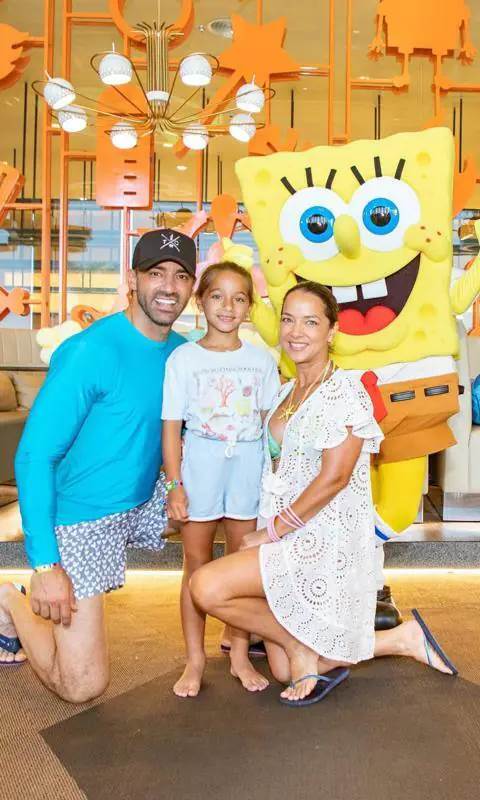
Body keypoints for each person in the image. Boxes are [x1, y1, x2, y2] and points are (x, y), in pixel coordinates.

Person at [190, 282, 457, 706]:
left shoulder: (346, 393)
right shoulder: (286, 391)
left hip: (317, 542)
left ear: (332, 331)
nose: (296, 332)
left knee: (205, 586)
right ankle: (399, 640)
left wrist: (271, 532)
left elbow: (334, 479)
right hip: (283, 533)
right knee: (282, 670)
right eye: (288, 320)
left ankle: (299, 643)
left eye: (310, 322)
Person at [0, 229, 196, 702]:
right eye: (156, 273)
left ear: (192, 286)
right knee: (83, 686)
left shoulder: (183, 353)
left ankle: (244, 630)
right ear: (132, 279)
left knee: (230, 498)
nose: (168, 286)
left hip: (144, 502)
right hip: (83, 519)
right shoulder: (91, 351)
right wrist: (46, 564)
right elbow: (34, 456)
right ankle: (7, 600)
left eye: (180, 276)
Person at [162, 262, 280, 697]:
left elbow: (271, 429)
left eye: (239, 298)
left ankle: (238, 655)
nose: (228, 307)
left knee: (240, 565)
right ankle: (194, 660)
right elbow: (171, 428)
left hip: (247, 470)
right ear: (201, 302)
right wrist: (175, 486)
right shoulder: (184, 359)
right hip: (200, 470)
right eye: (217, 296)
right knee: (196, 565)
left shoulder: (261, 360)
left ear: (249, 307)